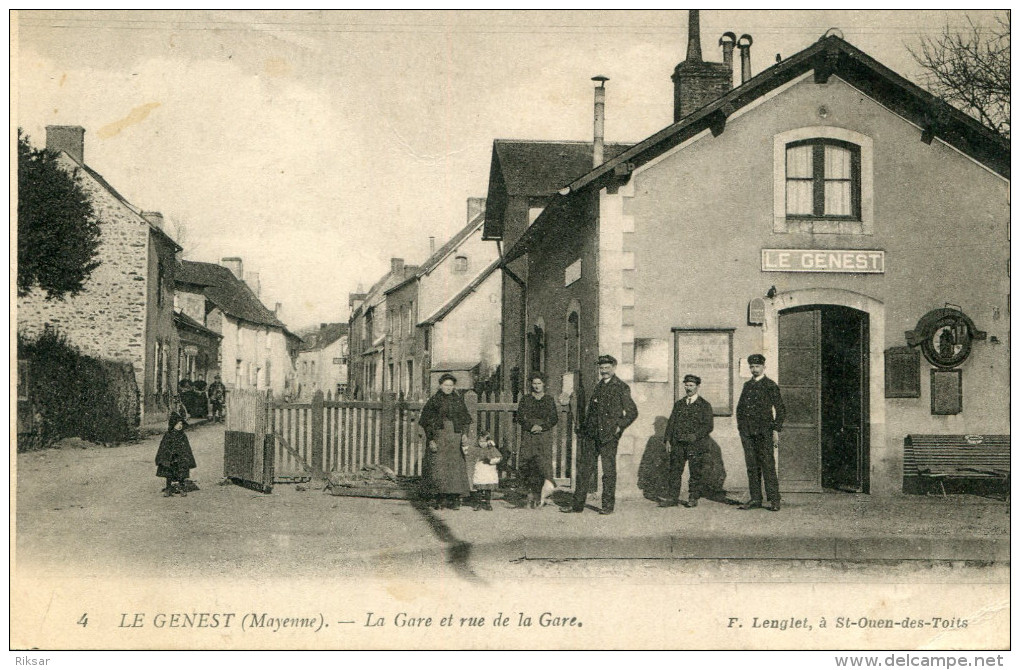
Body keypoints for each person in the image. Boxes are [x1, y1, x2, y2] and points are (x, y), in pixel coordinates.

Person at [562, 354, 638, 515]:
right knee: (584, 470)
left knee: (608, 472)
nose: (603, 371)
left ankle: (607, 506)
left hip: (608, 437)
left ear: (614, 368)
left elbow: (632, 412)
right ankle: (577, 506)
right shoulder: (599, 386)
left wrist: (619, 427)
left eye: (607, 368)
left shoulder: (621, 387)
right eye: (601, 368)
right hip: (592, 435)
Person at [736, 353, 786, 512]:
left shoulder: (770, 385)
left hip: (764, 433)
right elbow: (740, 409)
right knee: (752, 466)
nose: (754, 369)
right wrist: (742, 429)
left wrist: (775, 429)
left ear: (764, 367)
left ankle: (775, 499)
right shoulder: (747, 385)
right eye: (751, 366)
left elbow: (781, 410)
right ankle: (755, 498)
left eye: (757, 366)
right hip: (748, 433)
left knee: (768, 466)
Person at [418, 373, 473, 510]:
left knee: (454, 468)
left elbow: (465, 420)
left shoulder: (458, 400)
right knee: (438, 468)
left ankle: (453, 499)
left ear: (454, 386)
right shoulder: (434, 400)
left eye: (450, 385)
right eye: (445, 385)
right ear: (440, 385)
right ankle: (439, 499)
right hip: (439, 437)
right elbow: (426, 422)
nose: (448, 388)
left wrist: (465, 435)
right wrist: (431, 439)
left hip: (455, 437)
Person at [660, 374, 713, 508]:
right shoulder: (679, 404)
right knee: (675, 470)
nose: (688, 388)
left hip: (695, 444)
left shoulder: (704, 405)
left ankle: (693, 497)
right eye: (686, 385)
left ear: (697, 387)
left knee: (695, 471)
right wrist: (667, 440)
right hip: (678, 444)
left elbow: (708, 426)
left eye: (691, 385)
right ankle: (672, 498)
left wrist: (695, 436)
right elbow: (671, 423)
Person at [515, 371, 559, 509]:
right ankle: (530, 496)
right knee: (528, 461)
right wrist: (530, 426)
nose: (536, 386)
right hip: (529, 434)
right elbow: (520, 417)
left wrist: (542, 427)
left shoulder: (549, 399)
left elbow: (553, 418)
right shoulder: (526, 399)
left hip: (543, 434)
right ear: (531, 384)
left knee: (543, 462)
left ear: (543, 384)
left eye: (539, 383)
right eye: (534, 383)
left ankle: (544, 496)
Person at [155, 412, 197, 497]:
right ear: (173, 424)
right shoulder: (168, 435)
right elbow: (163, 447)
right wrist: (163, 458)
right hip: (170, 458)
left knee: (181, 473)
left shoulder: (183, 435)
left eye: (181, 424)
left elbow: (186, 447)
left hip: (180, 458)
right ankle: (168, 488)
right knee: (169, 473)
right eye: (177, 424)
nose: (180, 426)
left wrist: (187, 457)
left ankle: (181, 488)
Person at [464, 431, 502, 511]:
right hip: (480, 469)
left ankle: (488, 503)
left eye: (484, 441)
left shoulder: (491, 449)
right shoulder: (477, 449)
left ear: (488, 441)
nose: (482, 443)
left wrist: (492, 460)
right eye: (480, 441)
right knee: (479, 488)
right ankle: (478, 503)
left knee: (488, 489)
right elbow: (469, 453)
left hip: (489, 470)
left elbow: (498, 457)